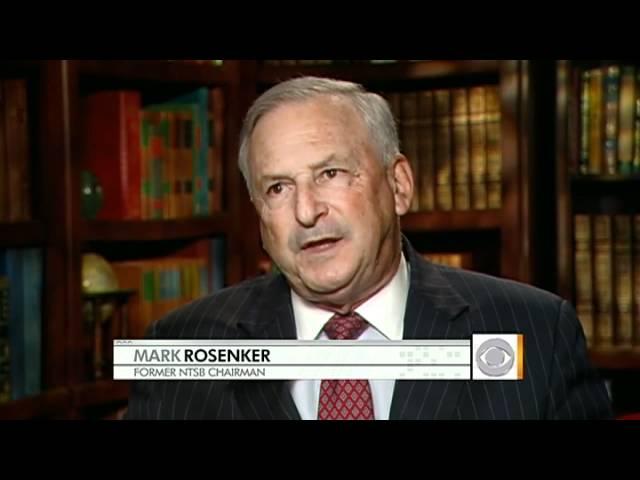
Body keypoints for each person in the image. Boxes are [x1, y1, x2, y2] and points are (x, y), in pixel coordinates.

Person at [125, 76, 612, 420]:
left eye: (331, 174)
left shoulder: (534, 333)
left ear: (398, 185)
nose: (306, 211)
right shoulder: (183, 349)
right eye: (278, 188)